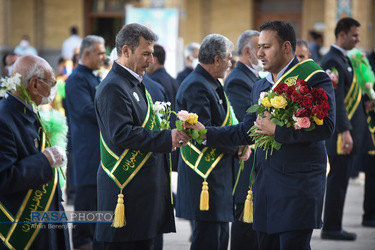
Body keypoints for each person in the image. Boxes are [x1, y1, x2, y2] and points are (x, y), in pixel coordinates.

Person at [185, 21, 335, 250]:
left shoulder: (314, 77)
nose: (259, 53)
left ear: (286, 48)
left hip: (299, 185)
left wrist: (278, 130)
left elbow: (326, 126)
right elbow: (247, 130)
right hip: (266, 186)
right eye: (259, 47)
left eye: (266, 47)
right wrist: (206, 134)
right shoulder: (260, 86)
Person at [94, 23, 190, 250]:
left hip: (145, 195)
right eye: (145, 53)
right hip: (127, 191)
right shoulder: (113, 87)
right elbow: (122, 134)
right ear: (126, 51)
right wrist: (167, 138)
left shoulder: (135, 83)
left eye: (152, 54)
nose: (151, 60)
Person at [175, 33, 251, 250]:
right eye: (228, 58)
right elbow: (202, 134)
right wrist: (238, 145)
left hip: (218, 175)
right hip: (205, 176)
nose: (231, 63)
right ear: (217, 60)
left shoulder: (210, 83)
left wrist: (241, 143)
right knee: (207, 240)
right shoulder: (196, 86)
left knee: (219, 239)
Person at [0, 54, 70, 249]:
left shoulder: (27, 109)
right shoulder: (4, 119)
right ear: (34, 85)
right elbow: (4, 177)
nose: (55, 86)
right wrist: (45, 160)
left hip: (48, 219)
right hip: (26, 228)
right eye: (51, 82)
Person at [320, 17, 374, 241]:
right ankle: (331, 227)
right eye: (354, 34)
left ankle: (335, 225)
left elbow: (350, 91)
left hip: (348, 130)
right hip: (341, 134)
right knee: (338, 180)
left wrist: (366, 102)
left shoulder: (345, 59)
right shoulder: (332, 60)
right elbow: (336, 100)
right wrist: (344, 131)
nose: (358, 39)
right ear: (341, 34)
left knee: (341, 179)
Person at [65, 35, 106, 250]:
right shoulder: (76, 79)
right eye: (100, 53)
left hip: (98, 152)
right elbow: (87, 110)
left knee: (98, 207)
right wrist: (114, 113)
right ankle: (82, 243)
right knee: (86, 206)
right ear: (87, 54)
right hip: (87, 152)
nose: (104, 56)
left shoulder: (94, 76)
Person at [223, 30, 261, 250]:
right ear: (247, 51)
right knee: (245, 226)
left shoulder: (253, 77)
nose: (264, 53)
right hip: (246, 163)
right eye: (260, 48)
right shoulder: (238, 80)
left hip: (256, 160)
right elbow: (244, 125)